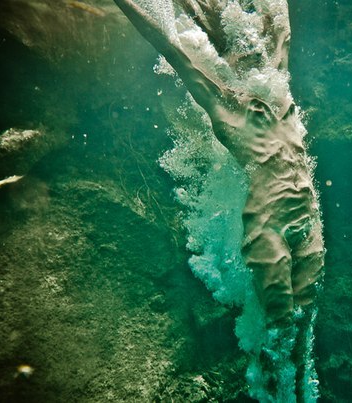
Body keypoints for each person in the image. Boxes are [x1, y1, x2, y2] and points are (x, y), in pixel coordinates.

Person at [113, 0, 324, 400]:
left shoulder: (279, 84)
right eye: (241, 48)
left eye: (252, 45)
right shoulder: (226, 104)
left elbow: (282, 31)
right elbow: (173, 51)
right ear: (225, 58)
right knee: (280, 327)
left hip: (307, 222)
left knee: (305, 326)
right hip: (271, 227)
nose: (252, 50)